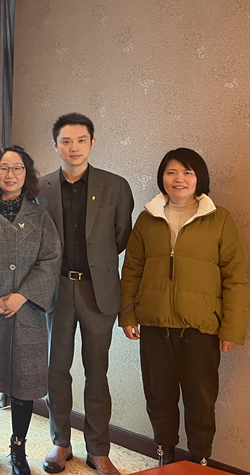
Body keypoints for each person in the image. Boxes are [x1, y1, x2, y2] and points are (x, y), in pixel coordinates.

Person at [119, 148, 247, 467]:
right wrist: (127, 313)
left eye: (187, 172)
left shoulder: (219, 218)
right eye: (172, 172)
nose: (179, 179)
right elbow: (131, 270)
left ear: (198, 178)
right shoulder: (147, 218)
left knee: (201, 401)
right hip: (155, 327)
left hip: (201, 329)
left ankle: (199, 460)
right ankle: (165, 456)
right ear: (162, 177)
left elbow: (236, 277)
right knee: (158, 398)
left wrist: (232, 329)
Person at [36, 113, 133, 475]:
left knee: (97, 372)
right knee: (56, 371)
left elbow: (121, 237)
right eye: (66, 141)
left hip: (98, 291)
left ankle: (98, 449)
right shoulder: (41, 188)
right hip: (57, 289)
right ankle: (60, 442)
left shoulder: (116, 186)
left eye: (80, 140)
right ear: (55, 145)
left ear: (92, 142)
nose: (73, 147)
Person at [0, 146, 62, 475]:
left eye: (18, 168)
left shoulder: (39, 216)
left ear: (27, 174)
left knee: (24, 381)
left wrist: (23, 295)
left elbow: (50, 260)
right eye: (4, 168)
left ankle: (18, 448)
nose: (10, 174)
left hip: (26, 311)